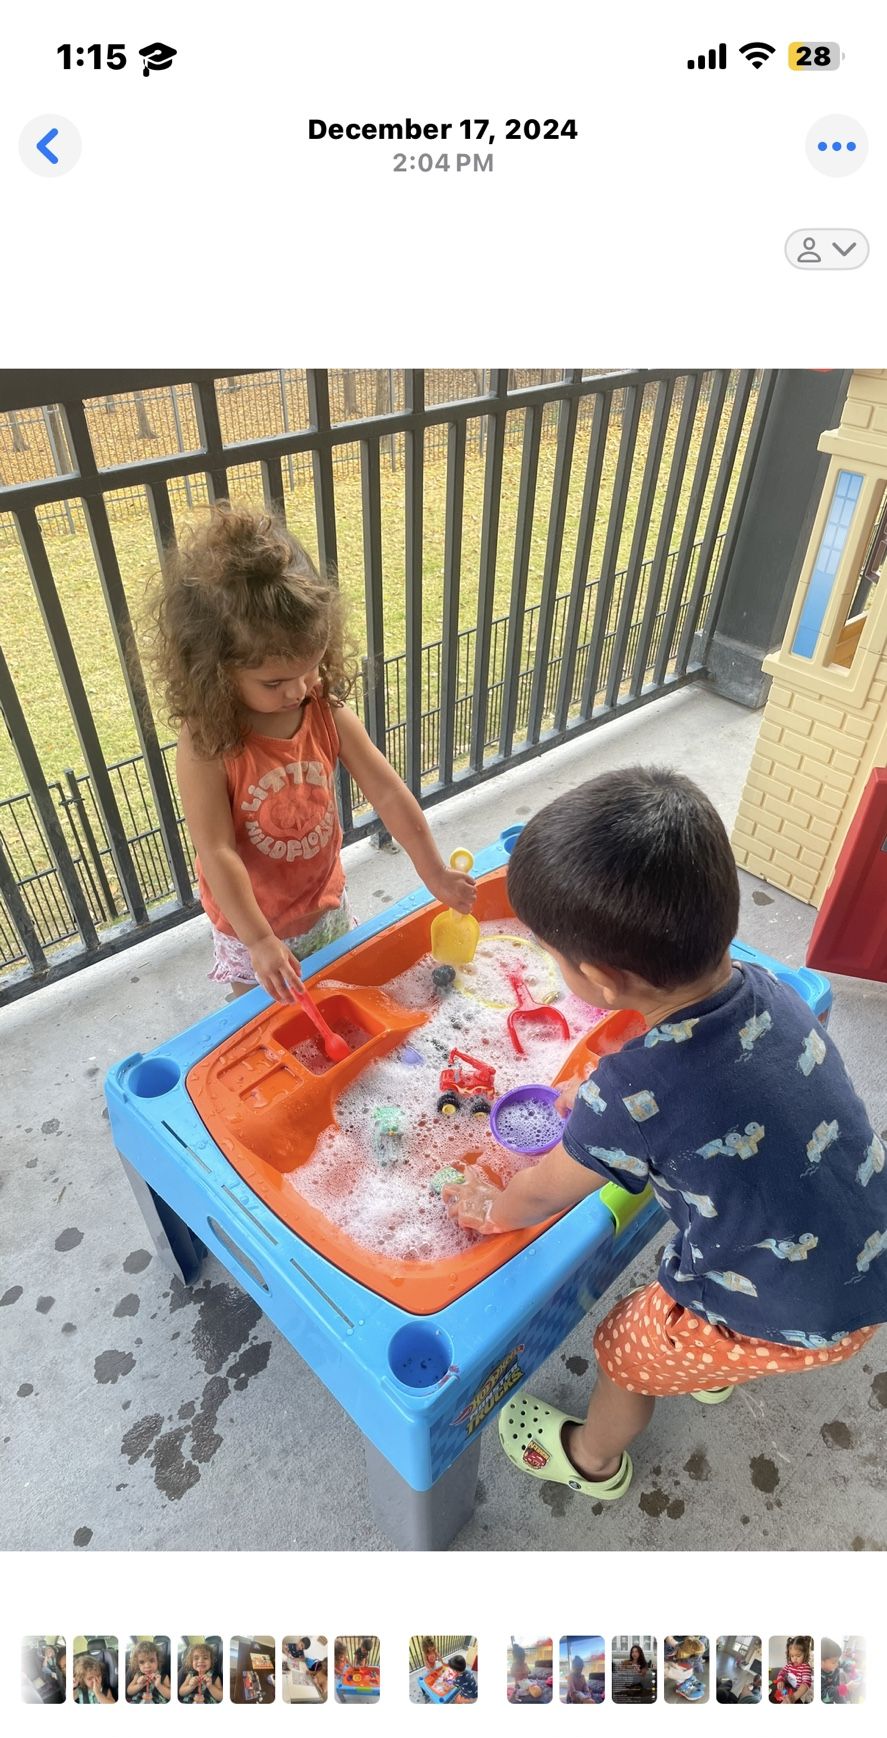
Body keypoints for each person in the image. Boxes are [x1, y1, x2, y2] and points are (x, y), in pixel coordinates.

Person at [443, 767, 886, 1501]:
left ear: (598, 978)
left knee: (622, 1350)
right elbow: (711, 1082)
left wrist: (487, 1206)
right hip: (864, 1254)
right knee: (712, 1331)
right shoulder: (765, 988)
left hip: (791, 1312)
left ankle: (590, 1459)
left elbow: (541, 1193)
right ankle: (719, 1362)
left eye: (551, 955)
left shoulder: (628, 1096)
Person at [152, 504, 474, 1000]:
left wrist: (432, 869)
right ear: (215, 671)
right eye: (274, 681)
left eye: (312, 667)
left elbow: (386, 790)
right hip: (250, 925)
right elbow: (215, 851)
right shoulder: (208, 744)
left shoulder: (323, 709)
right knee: (267, 1016)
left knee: (336, 993)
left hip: (324, 900)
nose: (299, 689)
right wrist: (260, 940)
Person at [770, 1636, 814, 1703]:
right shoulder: (790, 1664)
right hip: (790, 1687)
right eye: (792, 1656)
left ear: (805, 1654)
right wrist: (780, 1680)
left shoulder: (805, 1668)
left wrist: (794, 1697)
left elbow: (806, 1684)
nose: (794, 1659)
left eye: (798, 1656)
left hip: (800, 1692)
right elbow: (782, 1671)